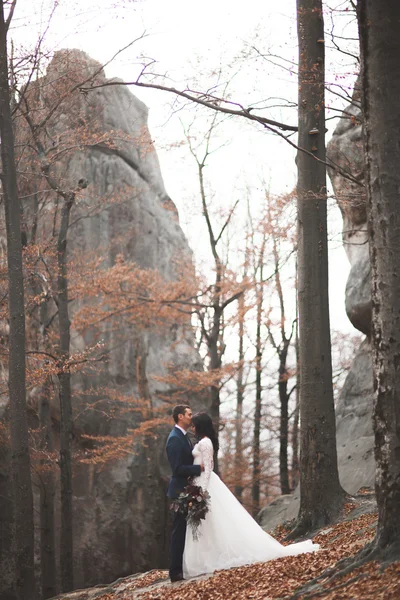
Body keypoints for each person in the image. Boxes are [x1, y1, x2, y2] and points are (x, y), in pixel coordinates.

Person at [183, 412, 319, 579]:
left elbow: (209, 467)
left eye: (195, 425)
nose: (193, 427)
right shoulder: (202, 441)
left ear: (200, 426)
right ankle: (208, 556)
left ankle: (216, 556)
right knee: (207, 524)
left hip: (206, 484)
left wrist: (202, 491)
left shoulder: (205, 443)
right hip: (199, 483)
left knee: (212, 520)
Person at [166, 405, 204, 582]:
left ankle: (187, 566)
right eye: (189, 414)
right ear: (180, 416)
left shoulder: (184, 437)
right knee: (179, 530)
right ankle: (175, 572)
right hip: (179, 491)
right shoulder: (174, 439)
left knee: (189, 529)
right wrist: (198, 468)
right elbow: (177, 469)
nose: (191, 417)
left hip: (187, 490)